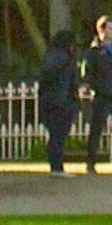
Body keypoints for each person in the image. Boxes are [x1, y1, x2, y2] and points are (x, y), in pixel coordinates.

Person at [82, 15, 112, 173]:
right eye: (110, 28)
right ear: (101, 30)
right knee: (96, 128)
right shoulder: (94, 51)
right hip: (102, 94)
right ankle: (91, 162)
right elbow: (87, 71)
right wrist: (93, 86)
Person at [36, 28, 79, 175]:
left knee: (55, 134)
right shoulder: (64, 57)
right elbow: (67, 80)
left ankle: (56, 165)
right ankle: (57, 167)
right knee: (58, 135)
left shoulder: (51, 55)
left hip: (51, 99)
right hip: (60, 101)